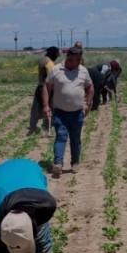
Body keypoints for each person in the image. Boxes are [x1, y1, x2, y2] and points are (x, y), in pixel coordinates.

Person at [43, 45, 94, 178]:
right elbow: (46, 88)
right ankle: (58, 164)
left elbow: (90, 87)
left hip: (77, 112)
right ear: (68, 58)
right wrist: (46, 106)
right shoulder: (56, 70)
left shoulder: (83, 71)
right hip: (60, 112)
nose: (78, 63)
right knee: (61, 136)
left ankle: (75, 162)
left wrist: (87, 104)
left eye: (79, 60)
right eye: (75, 60)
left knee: (75, 139)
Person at [29, 47, 60, 134]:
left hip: (40, 87)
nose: (56, 57)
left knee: (36, 108)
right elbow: (53, 76)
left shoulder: (43, 60)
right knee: (49, 107)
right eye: (56, 55)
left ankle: (33, 127)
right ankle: (47, 127)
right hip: (46, 88)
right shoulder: (49, 62)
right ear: (52, 54)